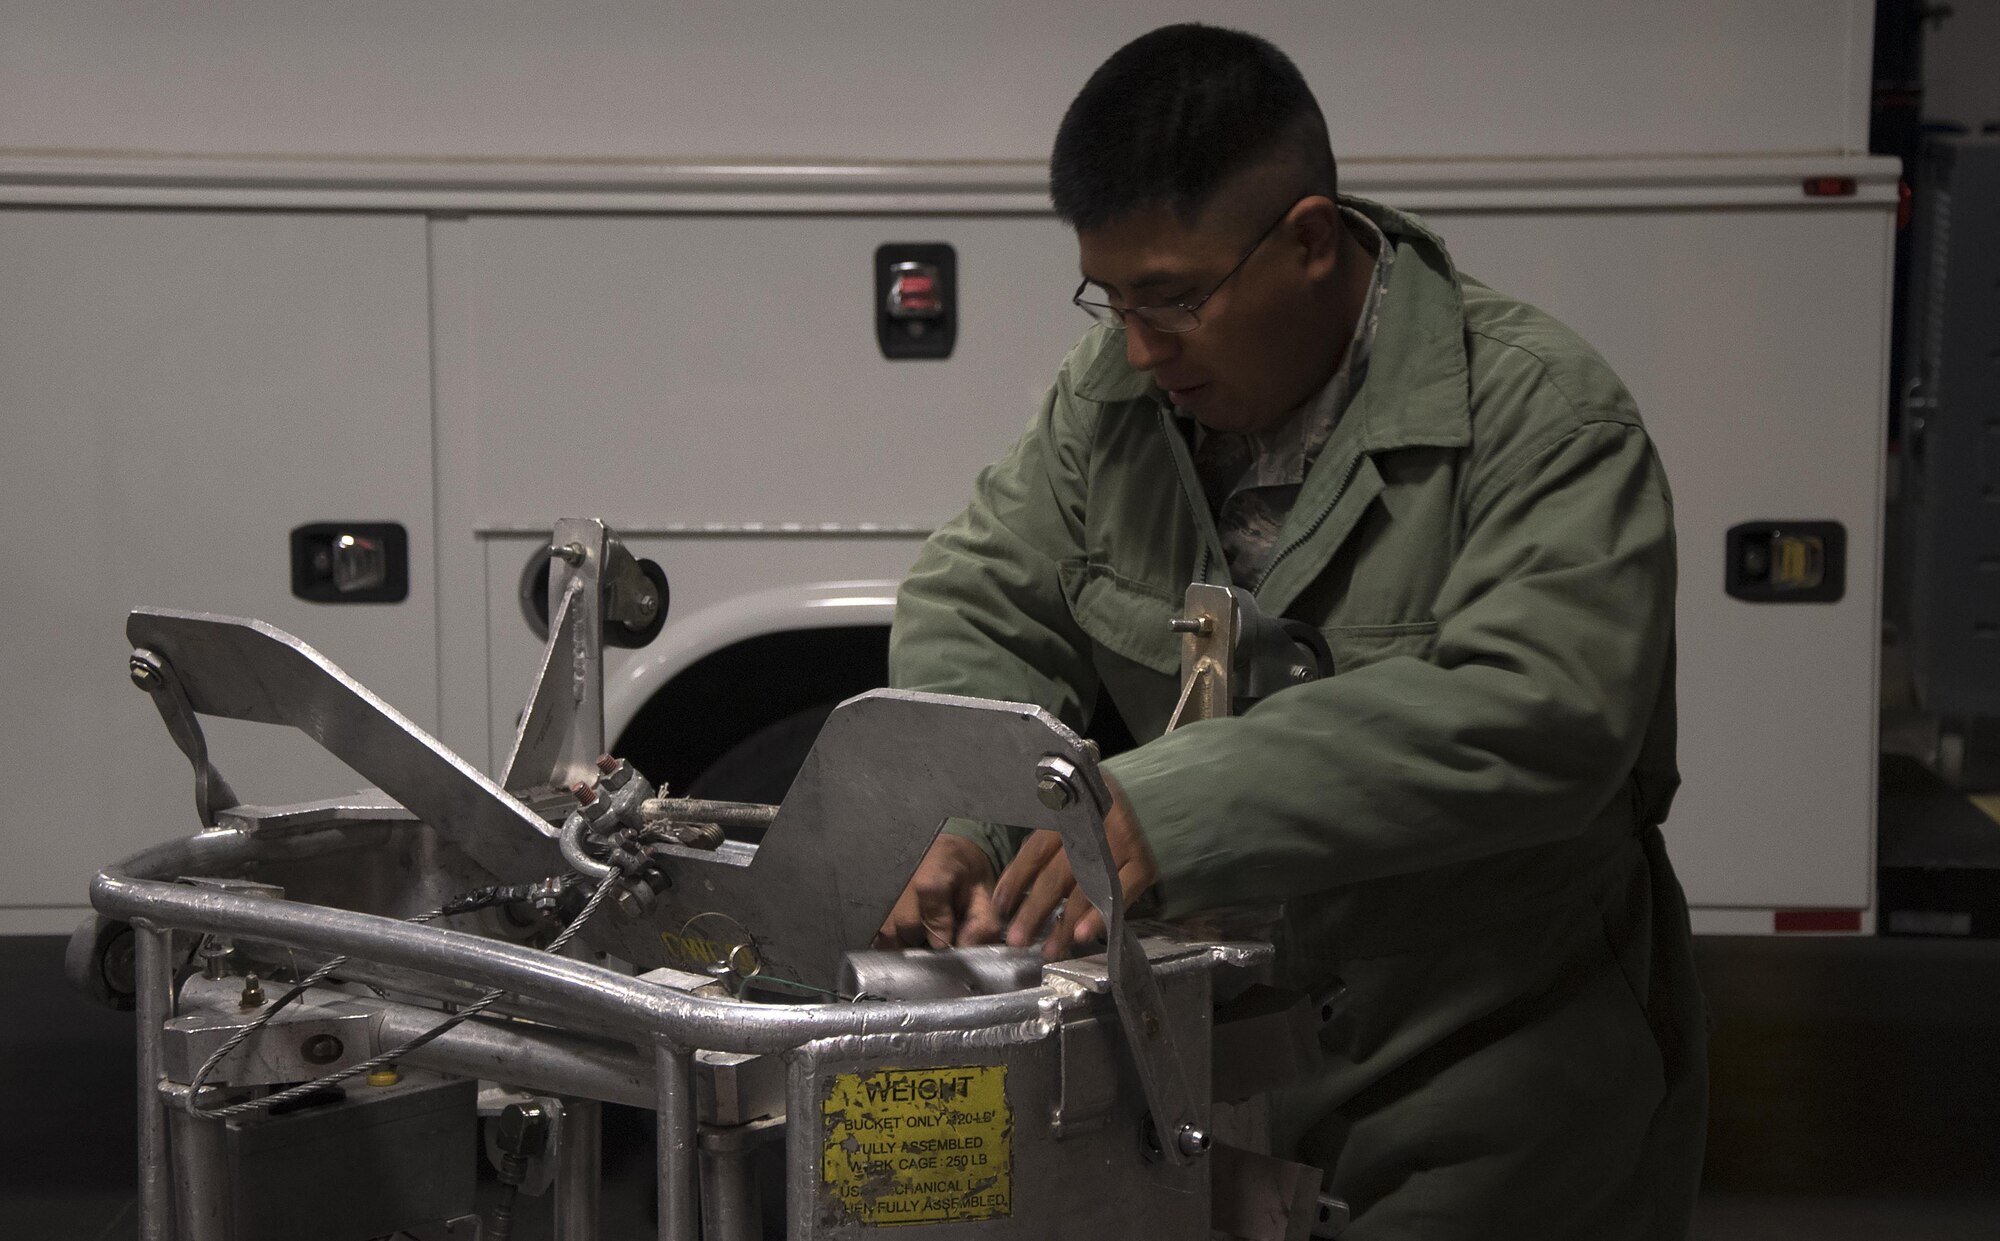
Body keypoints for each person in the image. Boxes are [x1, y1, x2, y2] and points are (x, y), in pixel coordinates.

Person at [874, 23, 1706, 1240]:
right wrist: (973, 805)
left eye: (1173, 299)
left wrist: (1175, 805)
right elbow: (981, 593)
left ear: (1309, 240)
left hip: (1488, 1084)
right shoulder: (1110, 401)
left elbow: (1546, 709)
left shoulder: (1539, 414)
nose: (1138, 346)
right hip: (1218, 1082)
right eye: (1109, 299)